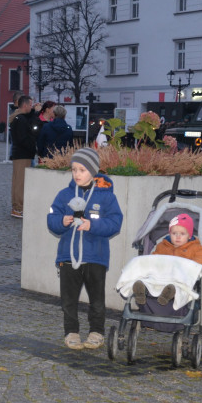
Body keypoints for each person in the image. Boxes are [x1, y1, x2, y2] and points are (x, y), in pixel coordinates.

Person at [47, 147, 123, 350]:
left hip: (95, 256)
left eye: (82, 169)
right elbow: (51, 219)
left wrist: (93, 225)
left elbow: (115, 223)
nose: (77, 174)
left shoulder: (107, 197)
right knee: (68, 299)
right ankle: (71, 332)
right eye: (74, 169)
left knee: (97, 299)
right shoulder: (64, 195)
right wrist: (61, 221)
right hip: (67, 256)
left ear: (93, 171)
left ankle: (96, 332)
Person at [130, 213, 202, 306]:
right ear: (169, 233)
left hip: (180, 278)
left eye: (182, 234)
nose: (178, 237)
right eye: (174, 233)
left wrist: (192, 266)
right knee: (151, 281)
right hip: (162, 277)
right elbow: (153, 259)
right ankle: (142, 289)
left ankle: (169, 294)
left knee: (181, 288)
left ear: (189, 235)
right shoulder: (163, 246)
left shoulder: (196, 248)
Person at [9, 95, 39, 218]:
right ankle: (18, 208)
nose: (32, 107)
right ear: (25, 105)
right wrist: (33, 147)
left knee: (18, 181)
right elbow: (23, 138)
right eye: (31, 105)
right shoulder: (20, 119)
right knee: (20, 182)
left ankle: (17, 207)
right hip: (22, 154)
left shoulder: (18, 118)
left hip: (20, 153)